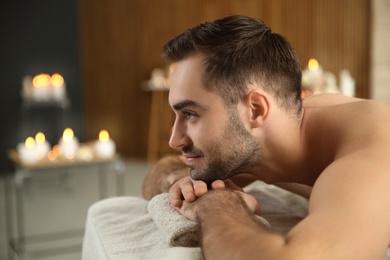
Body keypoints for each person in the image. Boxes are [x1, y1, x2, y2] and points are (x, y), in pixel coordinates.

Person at [143, 15, 390, 259]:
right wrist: (184, 184)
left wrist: (219, 204)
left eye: (190, 113)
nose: (175, 140)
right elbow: (161, 172)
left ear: (256, 109)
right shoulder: (273, 137)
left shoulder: (372, 150)